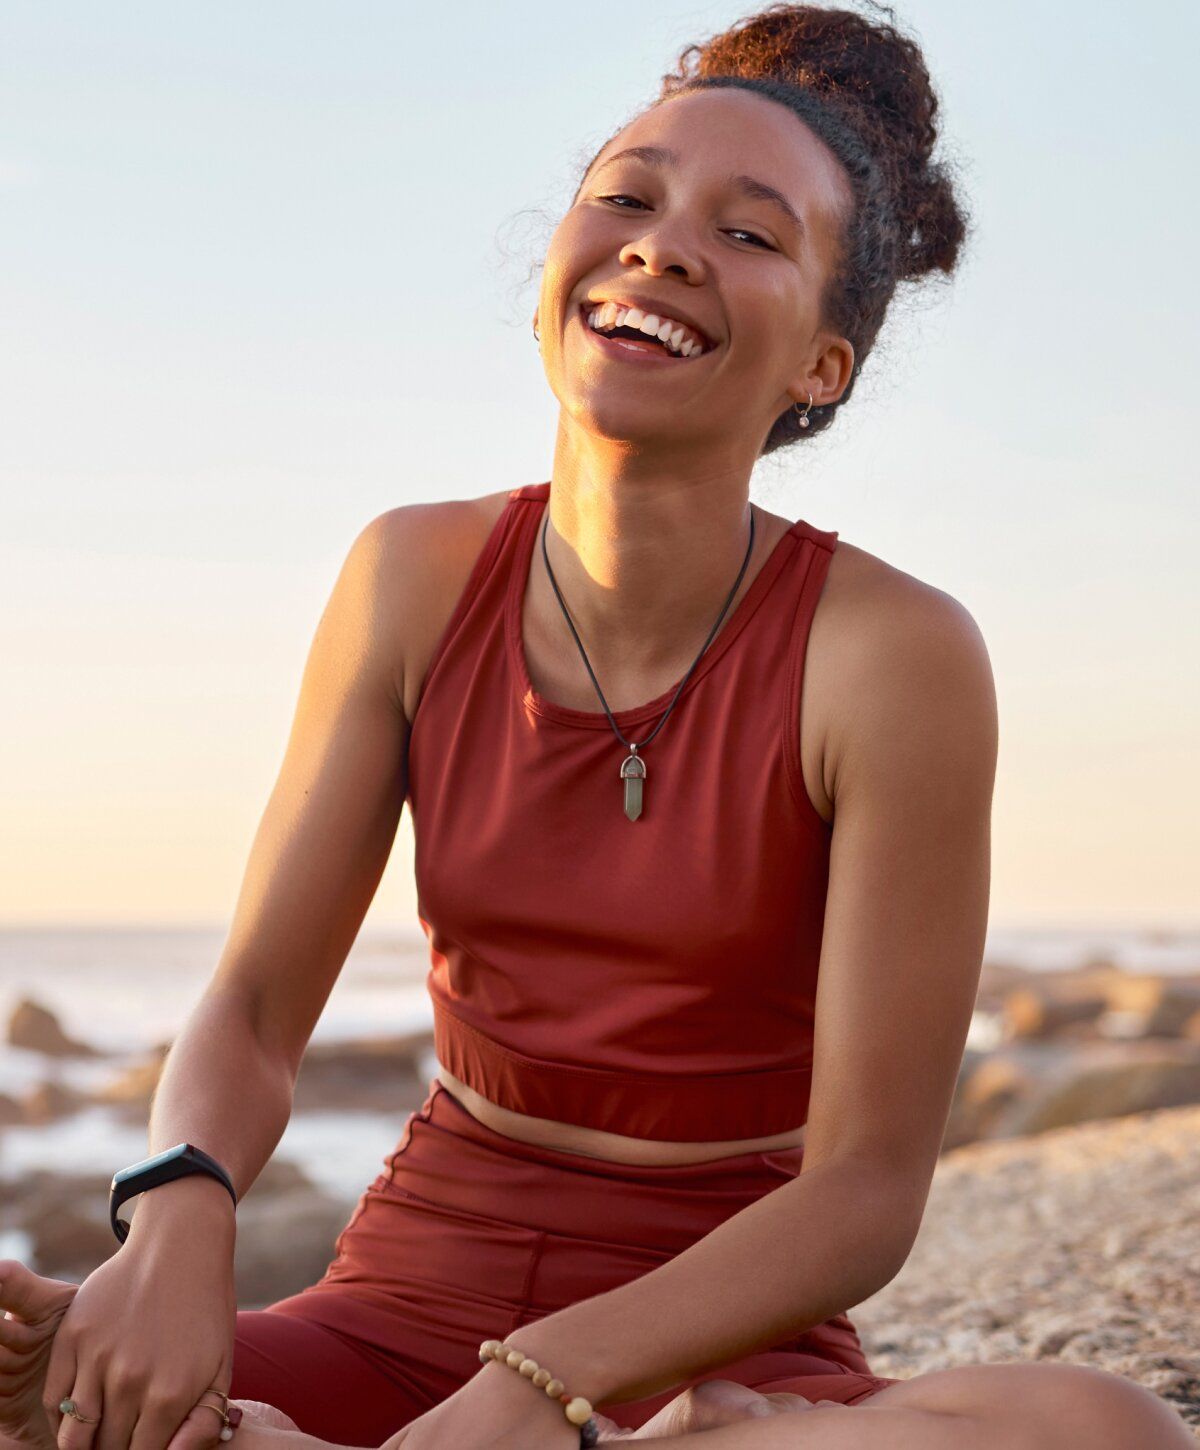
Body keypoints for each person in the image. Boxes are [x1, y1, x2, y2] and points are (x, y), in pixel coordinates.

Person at [11, 5, 1188, 1450]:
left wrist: (539, 1385)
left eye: (752, 234)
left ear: (824, 362)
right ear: (550, 272)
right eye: (625, 197)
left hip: (714, 1328)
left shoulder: (894, 656)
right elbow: (255, 1009)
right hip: (400, 1305)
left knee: (1099, 1430)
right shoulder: (412, 577)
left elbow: (866, 1189)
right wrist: (175, 1225)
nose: (665, 244)